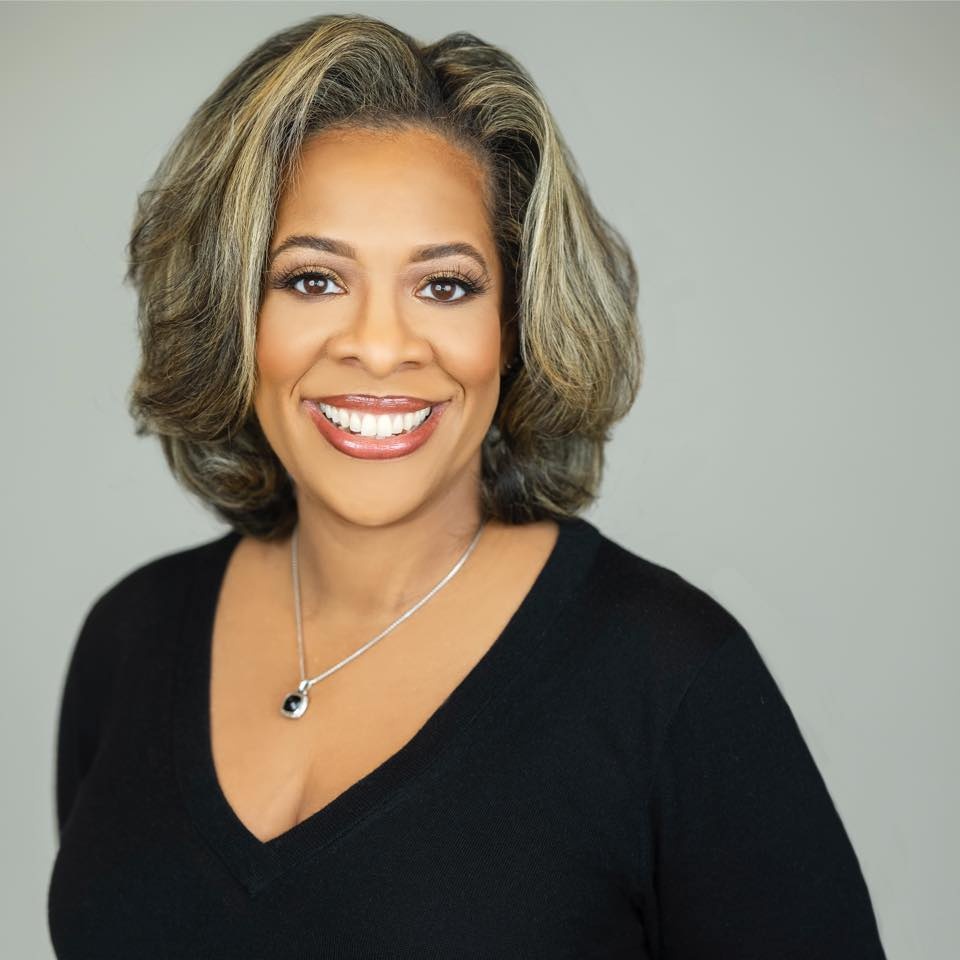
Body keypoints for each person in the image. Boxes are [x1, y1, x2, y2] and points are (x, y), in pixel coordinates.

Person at [47, 12, 887, 959]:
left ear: (515, 325)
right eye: (313, 280)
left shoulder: (668, 680)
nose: (379, 346)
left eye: (444, 285)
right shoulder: (131, 640)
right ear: (232, 313)